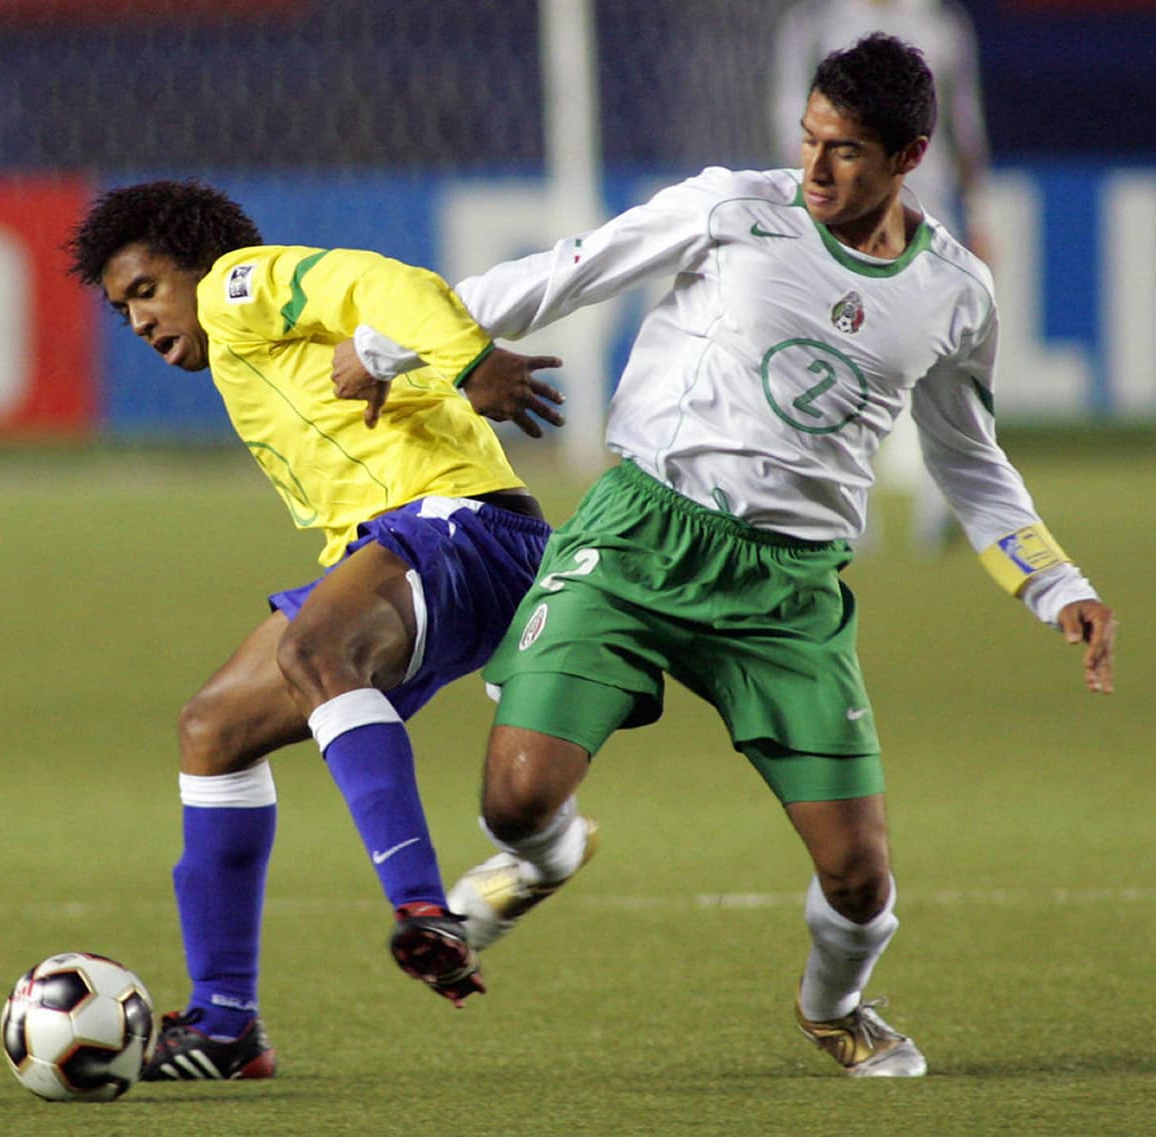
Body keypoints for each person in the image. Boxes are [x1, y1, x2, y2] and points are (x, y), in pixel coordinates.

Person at [342, 35, 1117, 1078]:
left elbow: (965, 457)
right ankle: (548, 855)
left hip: (785, 592)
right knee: (514, 799)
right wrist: (390, 345)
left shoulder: (954, 292)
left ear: (908, 157)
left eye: (845, 150)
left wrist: (1055, 581)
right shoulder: (731, 209)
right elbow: (561, 273)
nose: (815, 168)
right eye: (808, 138)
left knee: (858, 879)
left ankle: (833, 1006)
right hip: (637, 535)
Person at [65, 181, 564, 1080]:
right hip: (412, 549)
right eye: (122, 308)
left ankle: (424, 910)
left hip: (460, 526)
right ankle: (225, 1024)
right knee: (212, 731)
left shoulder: (238, 285)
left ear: (197, 264)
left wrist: (472, 362)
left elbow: (391, 284)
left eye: (146, 290)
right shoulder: (241, 348)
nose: (138, 320)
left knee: (313, 651)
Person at [771, 0, 993, 557]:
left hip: (925, 214)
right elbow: (788, 115)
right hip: (839, 217)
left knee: (937, 363)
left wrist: (979, 214)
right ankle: (844, 511)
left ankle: (939, 509)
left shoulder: (939, 24)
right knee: (840, 357)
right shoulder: (818, 22)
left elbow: (963, 126)